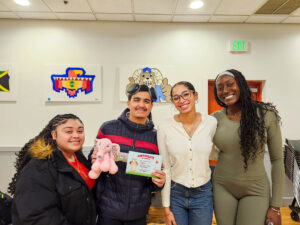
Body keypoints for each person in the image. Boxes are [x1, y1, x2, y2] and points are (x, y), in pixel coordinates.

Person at [212, 69, 284, 225]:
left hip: (256, 190)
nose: (225, 91)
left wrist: (276, 206)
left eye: (230, 84)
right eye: (220, 87)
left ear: (242, 85)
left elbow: (277, 160)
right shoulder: (214, 119)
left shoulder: (266, 114)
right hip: (222, 187)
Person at [91, 84, 166, 225]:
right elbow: (94, 161)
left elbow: (155, 177)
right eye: (137, 100)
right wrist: (95, 159)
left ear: (151, 106)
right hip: (108, 210)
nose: (141, 105)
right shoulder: (108, 128)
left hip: (139, 212)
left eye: (147, 101)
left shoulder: (156, 137)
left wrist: (159, 183)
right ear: (128, 103)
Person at [8, 114, 96, 225]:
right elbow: (37, 215)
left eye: (80, 131)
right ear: (54, 135)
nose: (76, 135)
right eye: (68, 131)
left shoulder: (80, 158)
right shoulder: (39, 167)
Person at [157, 81, 217, 225]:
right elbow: (165, 167)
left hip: (203, 194)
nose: (182, 100)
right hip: (176, 193)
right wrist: (166, 209)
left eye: (186, 95)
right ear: (173, 102)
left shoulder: (211, 122)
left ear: (195, 95)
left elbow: (216, 153)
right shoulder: (165, 126)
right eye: (176, 97)